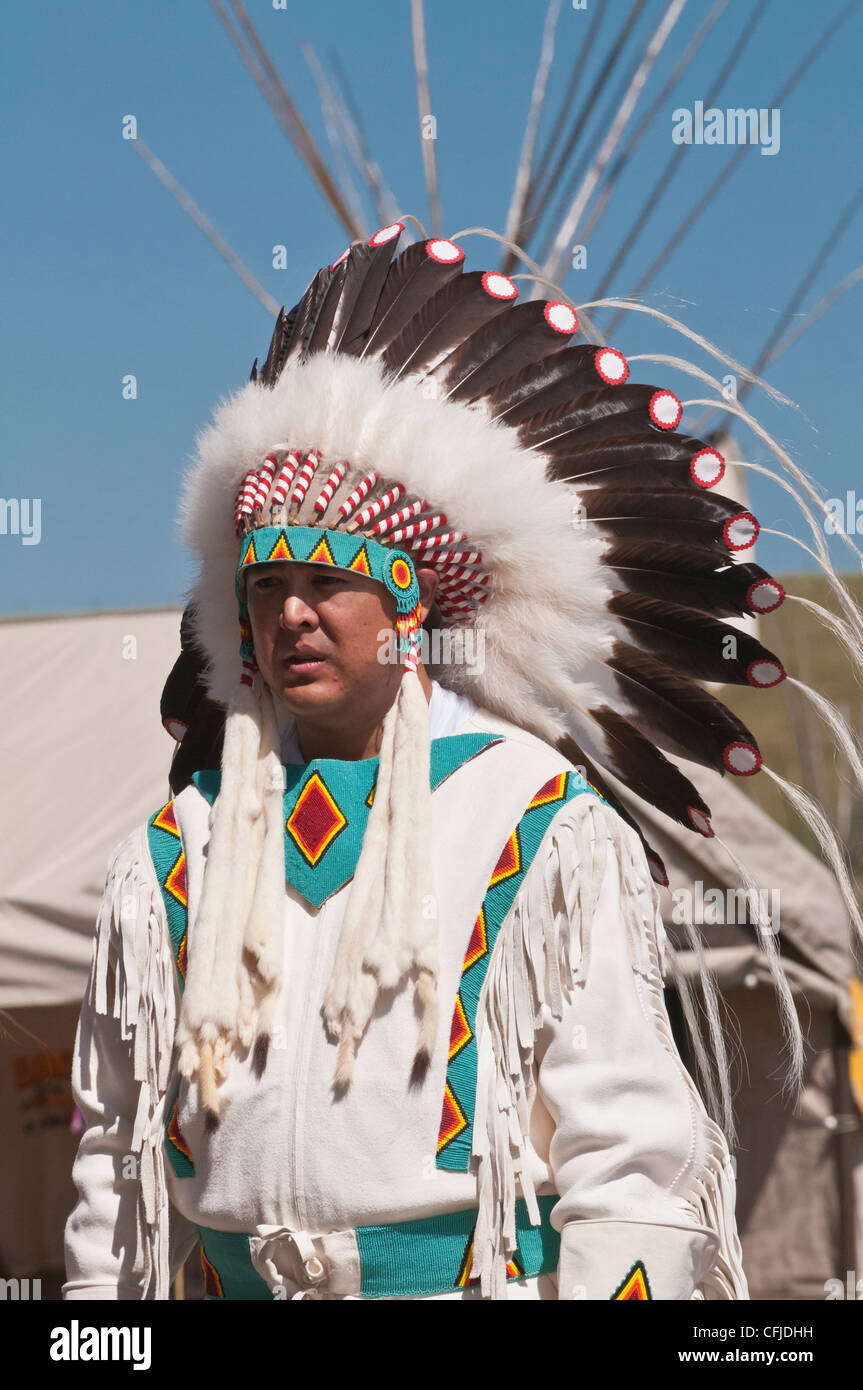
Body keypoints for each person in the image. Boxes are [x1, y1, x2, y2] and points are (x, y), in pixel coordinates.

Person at [65, 217, 827, 1301]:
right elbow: (113, 1161)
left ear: (408, 609)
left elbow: (628, 1160)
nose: (294, 615)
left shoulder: (537, 823)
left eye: (329, 583)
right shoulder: (175, 855)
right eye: (266, 589)